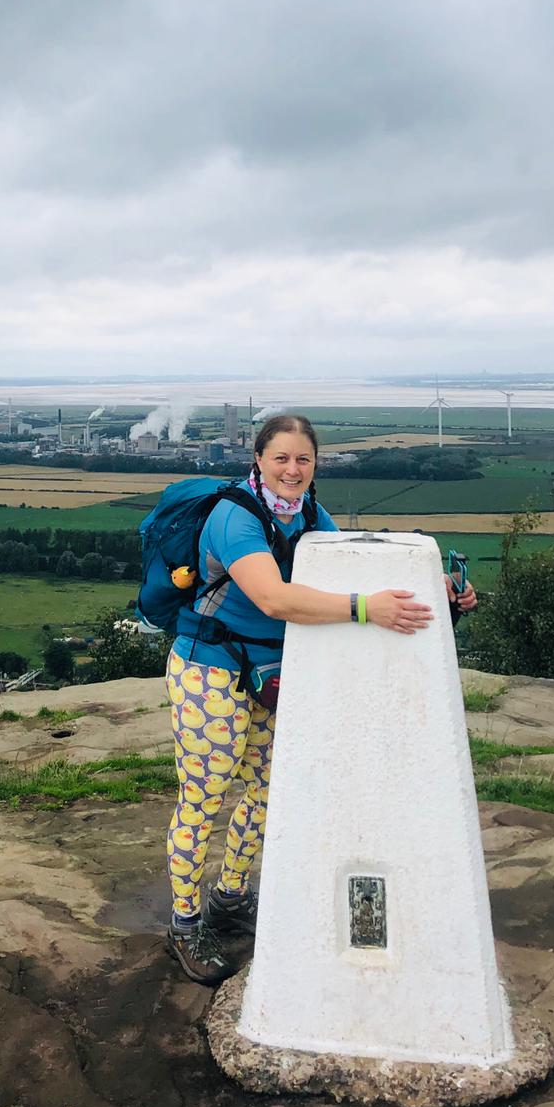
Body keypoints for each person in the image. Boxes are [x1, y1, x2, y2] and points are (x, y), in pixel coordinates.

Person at [164, 412, 478, 984]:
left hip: (271, 673)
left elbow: (356, 565)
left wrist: (441, 597)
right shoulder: (235, 517)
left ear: (316, 464)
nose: (292, 468)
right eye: (280, 457)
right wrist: (365, 608)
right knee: (205, 797)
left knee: (265, 793)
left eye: (303, 459)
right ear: (257, 459)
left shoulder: (309, 515)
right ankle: (185, 924)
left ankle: (231, 900)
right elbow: (276, 600)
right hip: (208, 670)